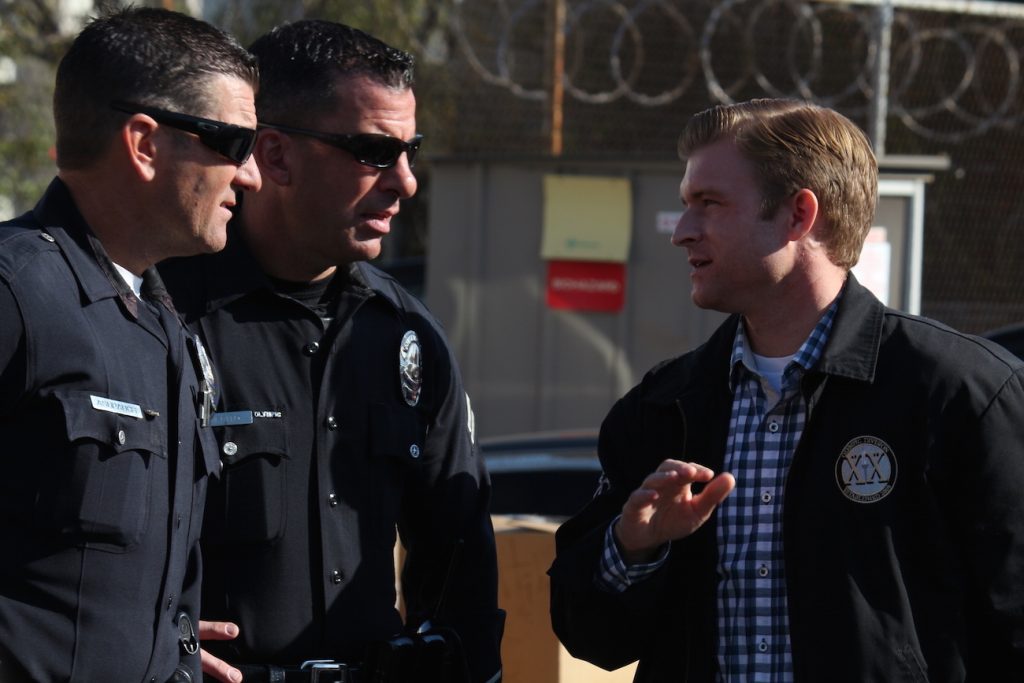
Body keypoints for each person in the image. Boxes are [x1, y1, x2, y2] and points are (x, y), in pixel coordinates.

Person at [548, 98, 1024, 682]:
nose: (684, 232)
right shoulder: (663, 406)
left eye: (710, 204)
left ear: (799, 215)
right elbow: (590, 635)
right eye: (685, 205)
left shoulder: (959, 393)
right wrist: (632, 547)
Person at [160, 20, 504, 683]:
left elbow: (459, 564)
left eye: (411, 150)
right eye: (373, 150)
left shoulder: (405, 333)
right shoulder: (164, 314)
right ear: (276, 155)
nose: (405, 182)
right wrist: (146, 641)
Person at [0, 7, 261, 683]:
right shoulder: (17, 295)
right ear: (145, 143)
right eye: (234, 144)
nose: (253, 176)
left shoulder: (162, 325)